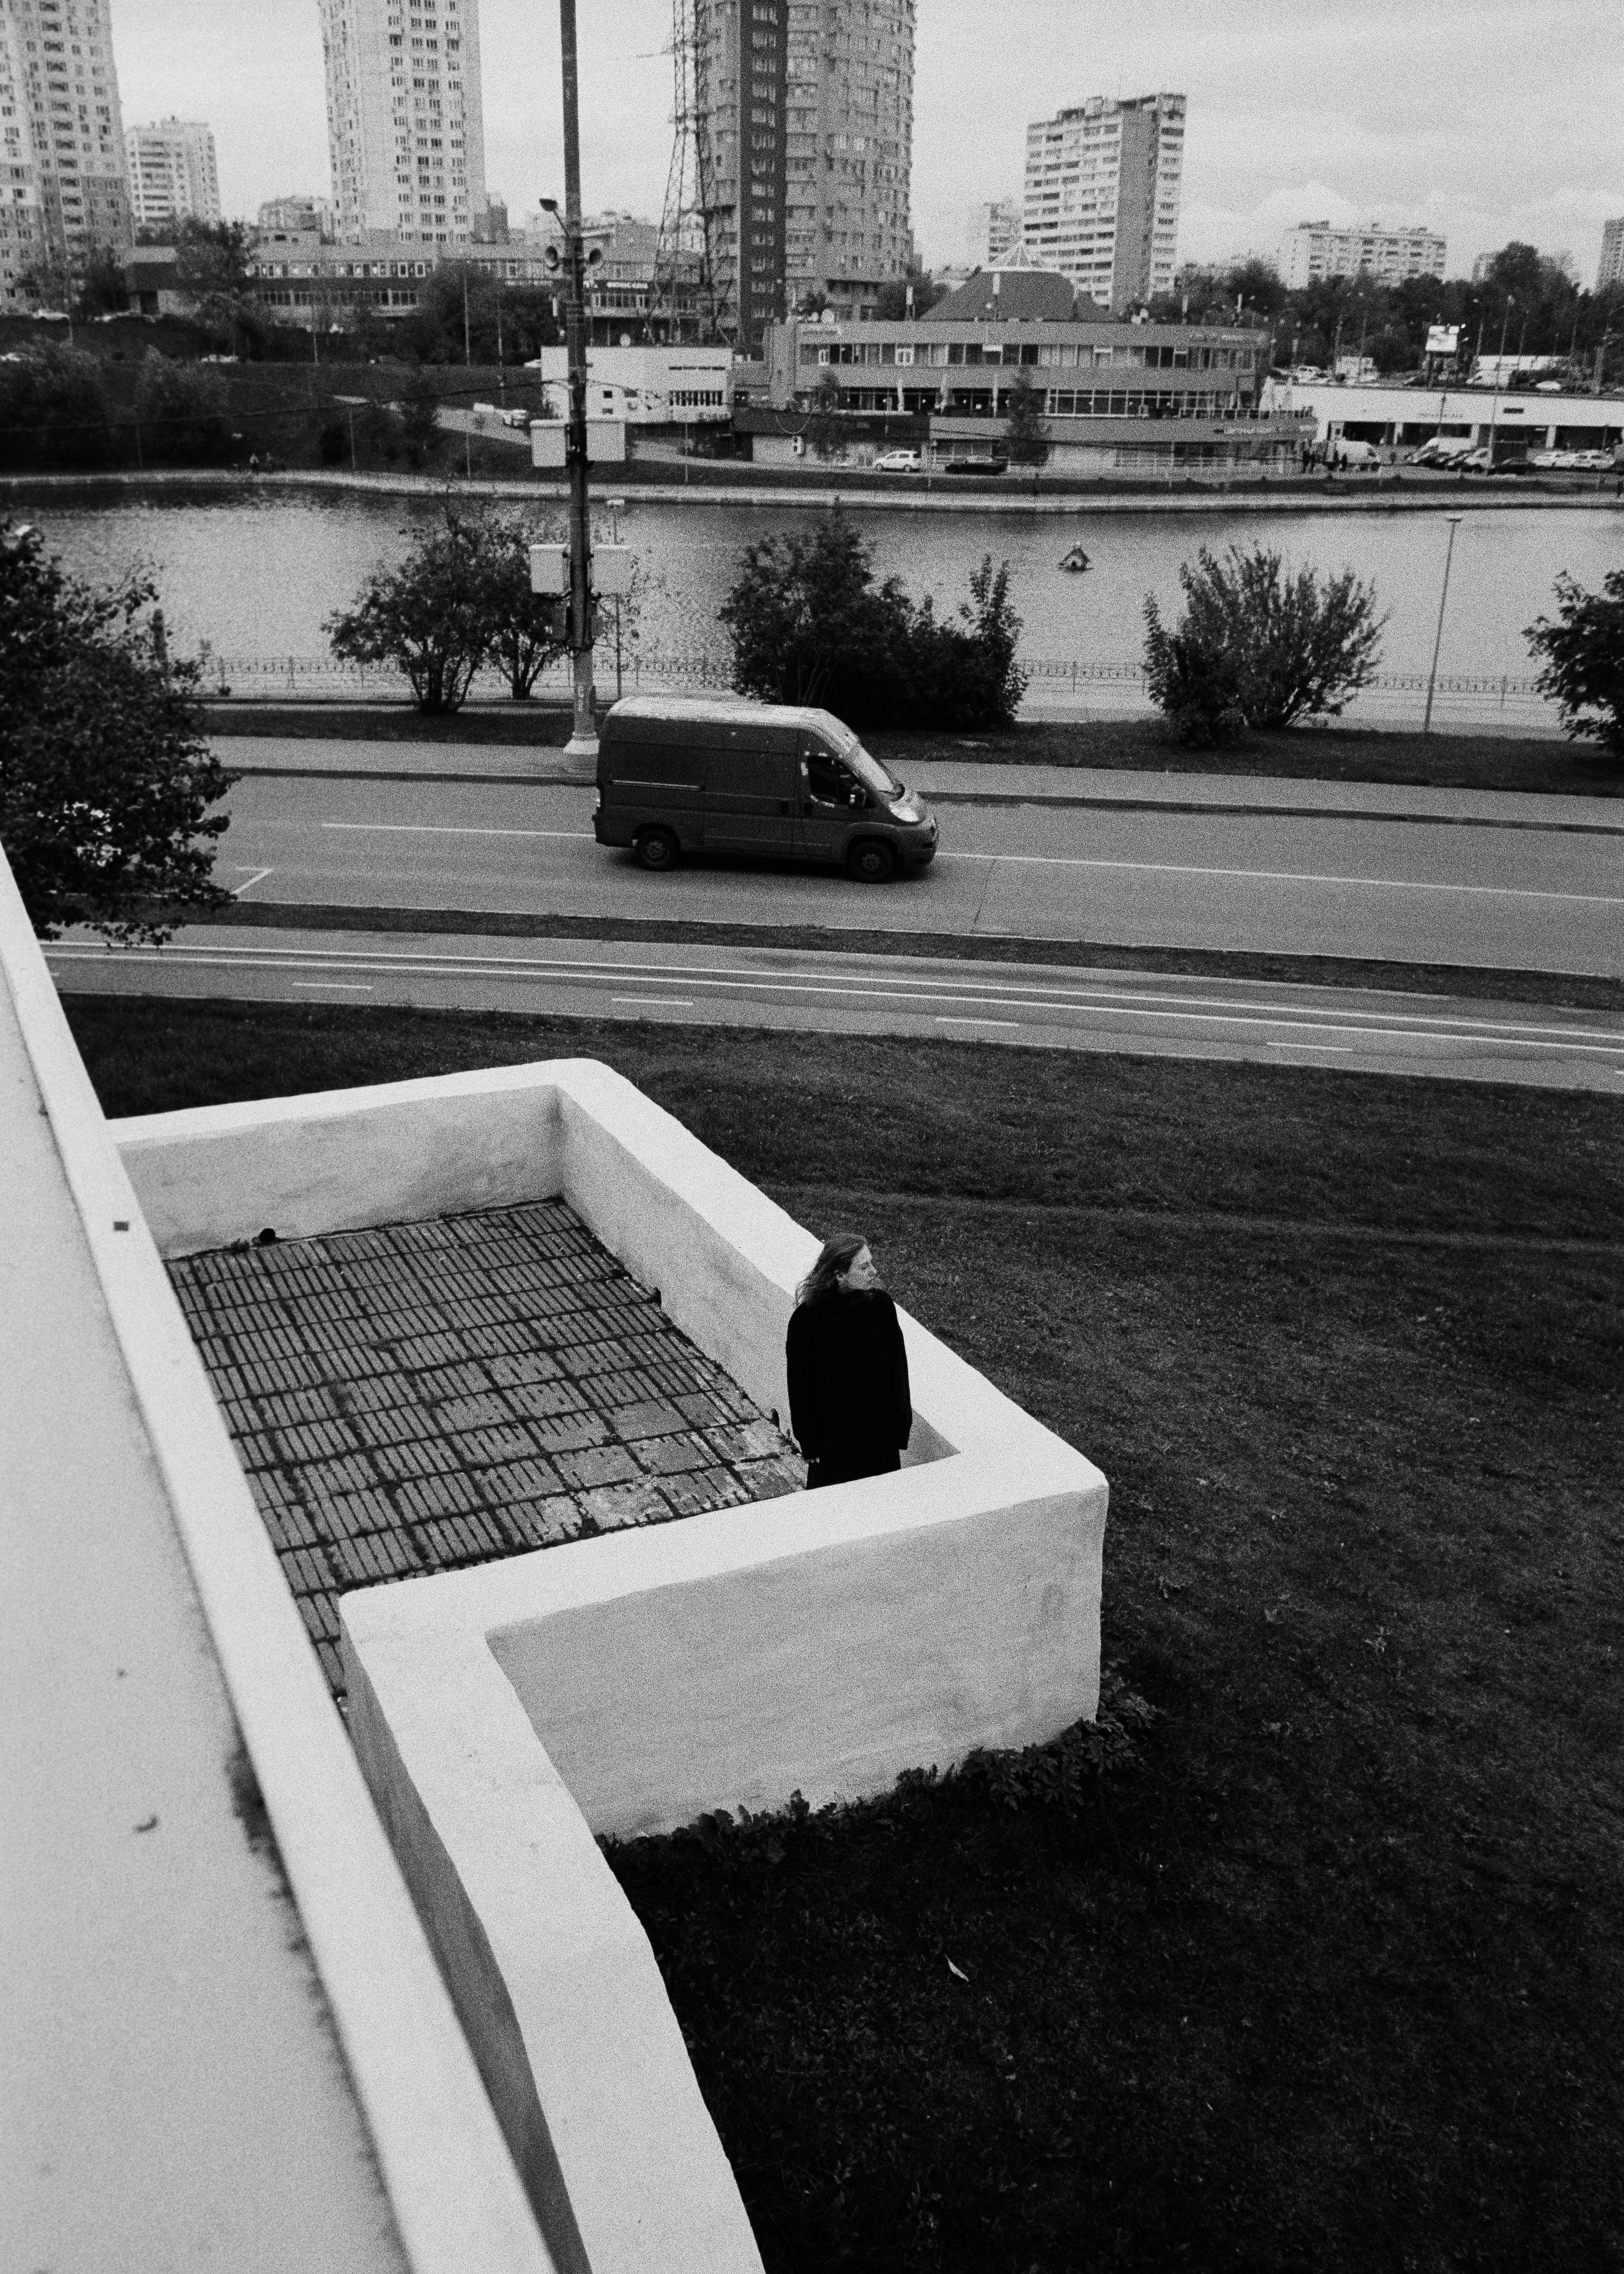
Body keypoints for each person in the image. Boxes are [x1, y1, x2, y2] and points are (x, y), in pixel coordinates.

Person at [785, 1232, 912, 1490]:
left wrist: (899, 1428)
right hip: (833, 1445)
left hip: (878, 1440)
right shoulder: (806, 1321)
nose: (874, 1271)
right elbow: (800, 1387)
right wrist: (808, 1442)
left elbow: (897, 1369)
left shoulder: (882, 1307)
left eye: (871, 1263)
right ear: (840, 1275)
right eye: (864, 1266)